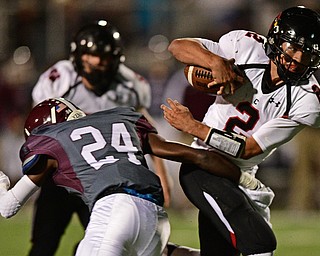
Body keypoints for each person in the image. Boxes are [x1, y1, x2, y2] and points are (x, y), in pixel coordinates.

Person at [0, 97, 260, 255]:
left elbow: (8, 207)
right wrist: (247, 180)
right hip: (156, 221)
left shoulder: (52, 141)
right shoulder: (119, 120)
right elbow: (199, 156)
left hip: (113, 211)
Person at [161, 6, 320, 256]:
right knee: (259, 245)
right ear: (277, 40)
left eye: (308, 53)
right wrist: (214, 61)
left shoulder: (307, 99)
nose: (299, 58)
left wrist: (195, 127)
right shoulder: (245, 47)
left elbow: (248, 149)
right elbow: (177, 46)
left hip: (240, 175)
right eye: (294, 47)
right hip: (203, 165)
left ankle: (155, 251)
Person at [29, 20, 171, 255]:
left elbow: (147, 132)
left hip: (104, 181)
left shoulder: (130, 86)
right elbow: (39, 131)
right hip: (60, 179)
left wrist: (164, 178)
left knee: (104, 243)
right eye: (93, 56)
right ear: (79, 57)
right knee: (44, 244)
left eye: (105, 57)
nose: (100, 64)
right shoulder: (60, 79)